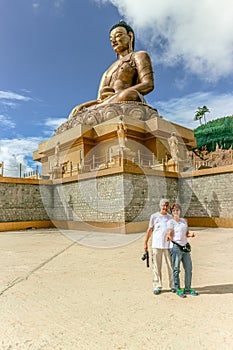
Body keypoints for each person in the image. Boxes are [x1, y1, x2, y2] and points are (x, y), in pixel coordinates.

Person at [69, 20, 154, 119]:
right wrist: (82, 107)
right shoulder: (108, 71)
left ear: (130, 36)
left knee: (128, 95)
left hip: (126, 99)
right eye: (111, 39)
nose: (113, 41)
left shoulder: (139, 56)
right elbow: (100, 100)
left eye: (118, 35)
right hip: (106, 104)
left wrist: (118, 95)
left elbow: (148, 84)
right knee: (78, 112)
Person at [167, 203, 198, 298]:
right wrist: (168, 236)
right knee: (176, 269)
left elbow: (186, 233)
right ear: (172, 212)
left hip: (185, 247)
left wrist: (190, 235)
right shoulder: (171, 222)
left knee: (188, 268)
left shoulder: (184, 221)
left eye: (177, 210)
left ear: (180, 211)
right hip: (176, 247)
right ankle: (178, 288)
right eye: (173, 211)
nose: (176, 212)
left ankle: (188, 288)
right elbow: (170, 233)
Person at [144, 198, 174, 295]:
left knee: (171, 266)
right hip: (156, 245)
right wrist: (145, 243)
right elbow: (150, 230)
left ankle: (173, 285)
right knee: (156, 266)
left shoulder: (170, 217)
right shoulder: (154, 216)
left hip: (168, 246)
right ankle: (157, 285)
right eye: (163, 205)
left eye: (166, 205)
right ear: (160, 206)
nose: (165, 207)